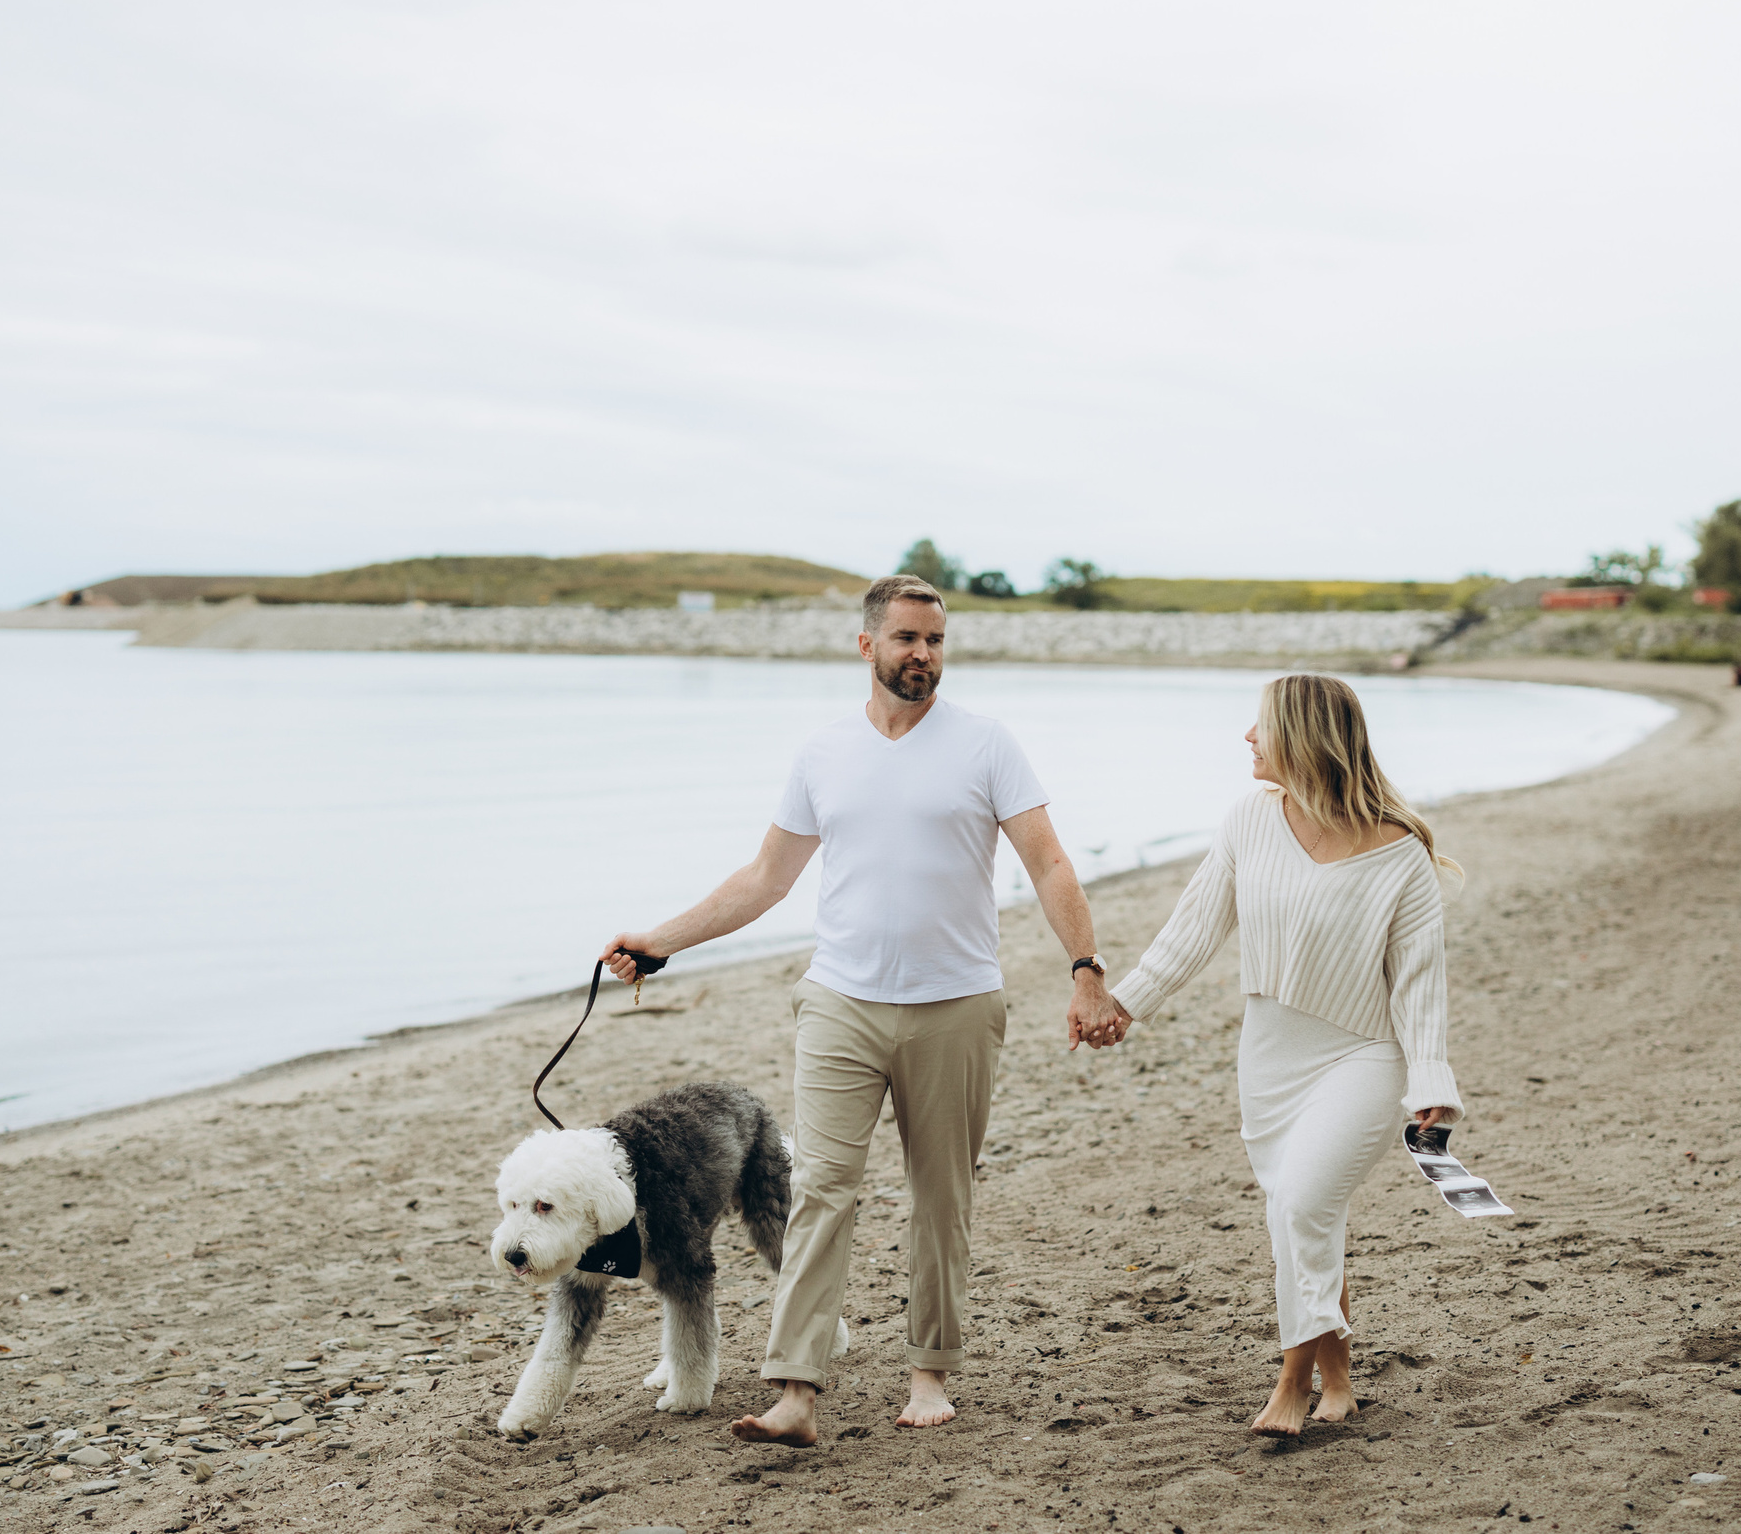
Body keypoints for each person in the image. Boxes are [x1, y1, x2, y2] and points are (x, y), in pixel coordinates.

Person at [600, 574, 1119, 1443]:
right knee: (819, 1191)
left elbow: (1050, 863)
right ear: (867, 643)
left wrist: (1086, 968)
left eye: (936, 640)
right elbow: (766, 879)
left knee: (941, 1197)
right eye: (907, 638)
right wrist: (663, 939)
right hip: (840, 1001)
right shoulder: (824, 751)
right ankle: (796, 1391)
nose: (923, 654)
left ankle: (928, 1373)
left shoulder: (987, 744)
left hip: (955, 1005)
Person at [1079, 673, 1462, 1435]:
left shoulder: (1399, 853)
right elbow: (1193, 929)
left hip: (1362, 1056)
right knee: (1304, 1215)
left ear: (1303, 736)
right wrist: (1123, 1003)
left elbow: (1420, 981)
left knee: (1301, 1203)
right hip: (1271, 1058)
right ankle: (1339, 1379)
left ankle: (1291, 1384)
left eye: (1262, 724)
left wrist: (1431, 1080)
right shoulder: (1248, 821)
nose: (1248, 736)